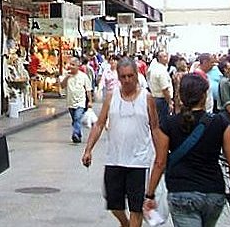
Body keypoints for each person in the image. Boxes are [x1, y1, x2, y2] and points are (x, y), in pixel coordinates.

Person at [143, 73, 230, 227]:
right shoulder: (220, 123)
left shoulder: (169, 124)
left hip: (181, 193)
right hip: (213, 193)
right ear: (205, 96)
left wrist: (150, 195)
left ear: (181, 96)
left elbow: (160, 162)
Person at [81, 58, 158, 227]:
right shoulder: (111, 96)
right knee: (114, 205)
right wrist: (88, 149)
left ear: (137, 75)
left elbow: (155, 128)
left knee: (136, 207)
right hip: (114, 159)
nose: (127, 80)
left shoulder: (147, 98)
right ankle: (125, 223)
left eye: (130, 76)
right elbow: (100, 123)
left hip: (139, 162)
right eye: (123, 76)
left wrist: (161, 156)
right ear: (118, 77)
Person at [59, 56, 91, 143]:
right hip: (70, 102)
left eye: (73, 65)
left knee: (77, 117)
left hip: (80, 102)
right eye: (70, 64)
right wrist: (67, 77)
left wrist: (90, 101)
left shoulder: (83, 76)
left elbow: (88, 89)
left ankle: (75, 134)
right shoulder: (67, 76)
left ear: (78, 66)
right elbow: (62, 85)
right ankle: (78, 134)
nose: (71, 66)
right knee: (75, 120)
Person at [147, 50, 173, 122]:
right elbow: (164, 89)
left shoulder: (154, 68)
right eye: (164, 56)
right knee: (163, 122)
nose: (166, 58)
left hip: (156, 98)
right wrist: (170, 102)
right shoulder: (161, 71)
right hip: (162, 100)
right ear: (159, 58)